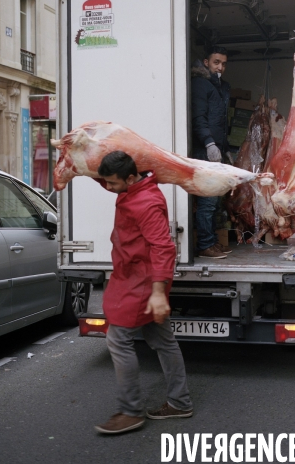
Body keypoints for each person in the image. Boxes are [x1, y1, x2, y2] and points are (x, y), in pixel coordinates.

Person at [93, 151, 193, 435]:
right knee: (163, 340)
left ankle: (131, 411)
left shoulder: (146, 202)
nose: (109, 188)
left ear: (130, 178)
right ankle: (180, 402)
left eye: (112, 183)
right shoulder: (134, 187)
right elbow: (108, 180)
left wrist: (158, 293)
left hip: (141, 282)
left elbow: (164, 248)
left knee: (118, 338)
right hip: (134, 278)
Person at [191, 46, 232, 259]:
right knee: (207, 201)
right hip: (203, 151)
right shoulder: (200, 84)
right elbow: (199, 118)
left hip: (217, 150)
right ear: (206, 62)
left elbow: (221, 122)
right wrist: (209, 143)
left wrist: (224, 149)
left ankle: (213, 242)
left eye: (224, 64)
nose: (220, 67)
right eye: (216, 62)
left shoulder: (221, 87)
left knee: (216, 200)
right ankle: (205, 245)